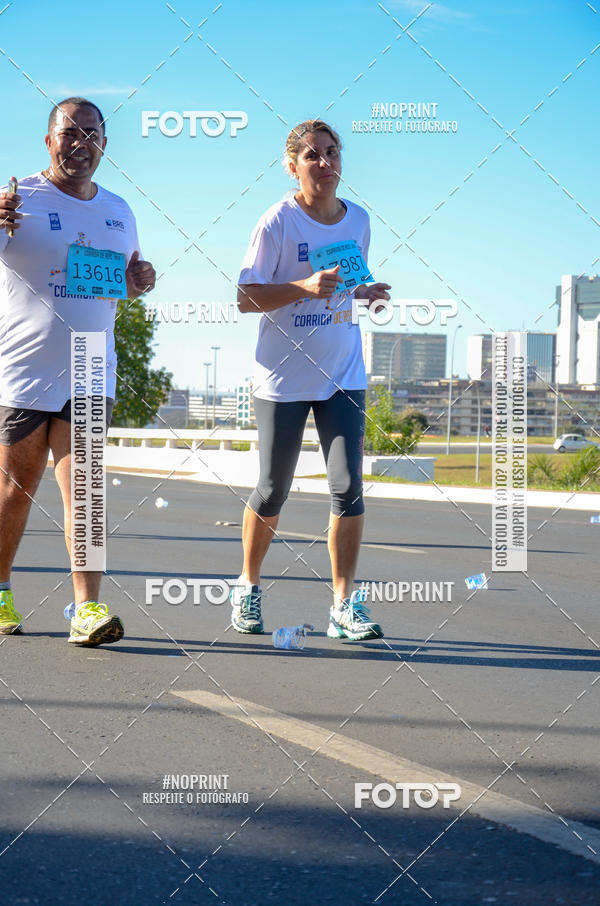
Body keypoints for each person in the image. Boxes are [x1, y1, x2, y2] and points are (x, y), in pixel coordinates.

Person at [0, 97, 156, 644]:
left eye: (90, 134)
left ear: (104, 144)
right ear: (49, 142)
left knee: (85, 489)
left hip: (91, 364)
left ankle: (86, 608)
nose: (80, 144)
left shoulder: (119, 210)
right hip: (23, 367)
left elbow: (121, 286)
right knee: (16, 489)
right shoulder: (18, 199)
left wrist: (139, 280)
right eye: (69, 134)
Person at [231, 119, 391, 641]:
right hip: (282, 376)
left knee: (348, 488)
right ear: (292, 166)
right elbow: (245, 297)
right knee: (273, 489)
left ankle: (344, 604)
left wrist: (366, 293)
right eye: (312, 155)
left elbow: (346, 285)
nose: (324, 163)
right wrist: (302, 286)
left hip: (342, 373)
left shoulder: (359, 220)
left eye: (331, 153)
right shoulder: (277, 221)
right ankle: (248, 587)